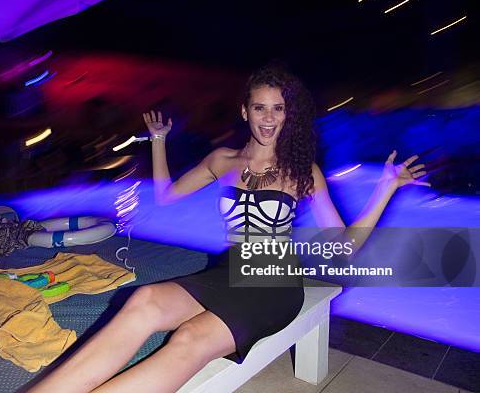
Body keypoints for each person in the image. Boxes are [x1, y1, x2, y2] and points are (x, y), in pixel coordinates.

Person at [29, 64, 429, 393]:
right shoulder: (223, 160)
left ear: (288, 115)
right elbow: (167, 195)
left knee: (189, 339)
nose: (269, 118)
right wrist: (157, 141)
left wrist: (386, 188)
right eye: (260, 108)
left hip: (274, 282)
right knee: (144, 300)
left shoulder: (303, 173)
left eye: (278, 109)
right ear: (245, 112)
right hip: (230, 268)